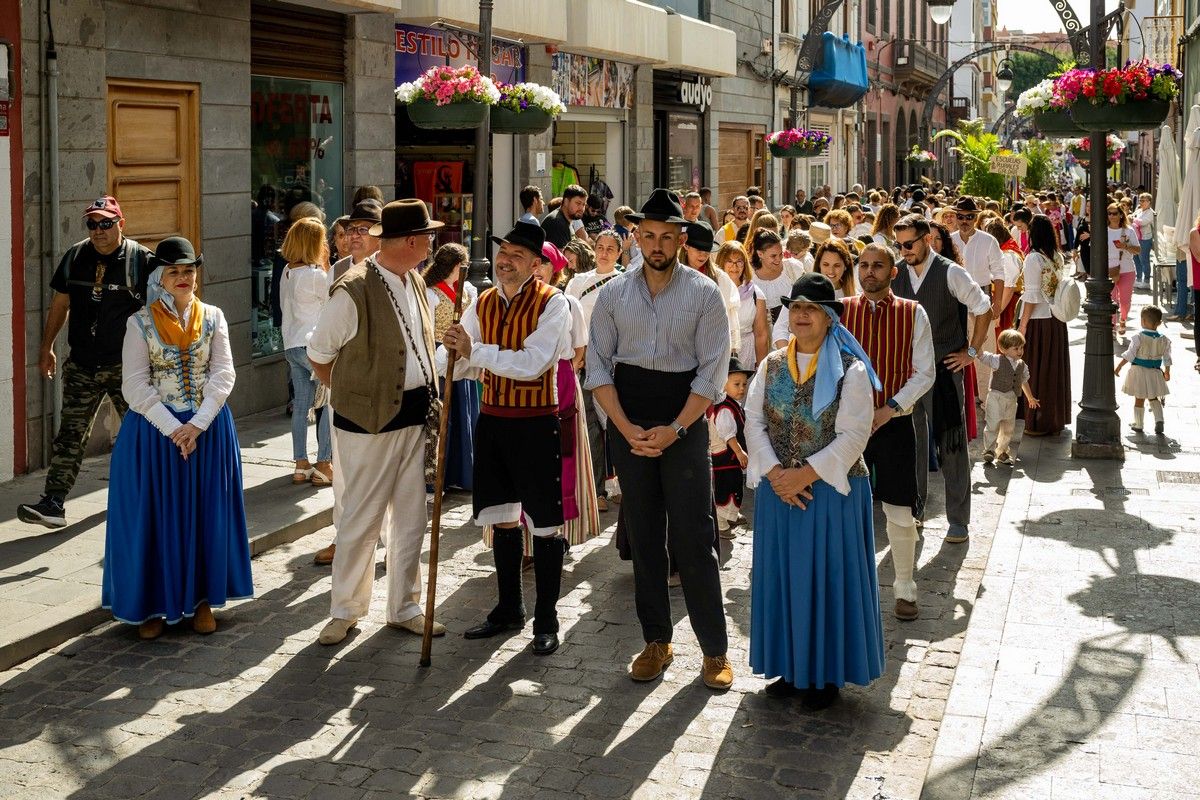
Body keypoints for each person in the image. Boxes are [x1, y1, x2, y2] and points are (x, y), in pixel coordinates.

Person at [586, 188, 734, 691]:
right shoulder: (611, 293)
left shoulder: (704, 293)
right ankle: (655, 641)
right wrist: (626, 429)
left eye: (666, 237)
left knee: (694, 536)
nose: (656, 244)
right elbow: (598, 368)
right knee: (644, 537)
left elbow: (712, 372)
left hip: (684, 417)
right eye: (647, 235)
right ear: (636, 238)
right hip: (629, 415)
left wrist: (674, 429)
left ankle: (714, 650)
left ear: (680, 239)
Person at [745, 272, 886, 709]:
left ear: (828, 318)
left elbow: (853, 436)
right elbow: (753, 421)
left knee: (827, 578)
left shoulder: (851, 370)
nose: (801, 315)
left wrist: (803, 475)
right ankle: (790, 668)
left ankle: (825, 675)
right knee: (785, 578)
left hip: (829, 494)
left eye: (811, 309)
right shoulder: (770, 364)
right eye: (796, 307)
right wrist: (774, 475)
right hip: (780, 492)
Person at [307, 199, 444, 646]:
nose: (431, 242)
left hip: (413, 420)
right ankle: (345, 611)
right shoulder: (353, 288)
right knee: (361, 521)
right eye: (426, 236)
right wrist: (358, 396)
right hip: (366, 425)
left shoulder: (415, 282)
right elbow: (319, 356)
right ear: (409, 241)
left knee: (410, 521)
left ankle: (403, 605)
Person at [103, 236, 251, 639]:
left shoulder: (215, 317)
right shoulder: (139, 323)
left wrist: (197, 425)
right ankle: (152, 604)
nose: (183, 278)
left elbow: (224, 375)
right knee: (153, 516)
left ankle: (202, 599)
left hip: (208, 427)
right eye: (174, 272)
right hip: (154, 433)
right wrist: (174, 429)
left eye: (189, 271)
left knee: (206, 513)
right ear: (160, 278)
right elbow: (134, 385)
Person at [442, 221, 573, 657]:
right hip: (494, 419)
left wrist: (472, 353)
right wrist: (451, 350)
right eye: (503, 252)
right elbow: (461, 355)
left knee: (545, 524)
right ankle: (508, 608)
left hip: (536, 422)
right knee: (501, 516)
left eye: (517, 254)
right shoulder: (480, 302)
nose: (506, 259)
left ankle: (547, 619)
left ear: (537, 264)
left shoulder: (554, 303)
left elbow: (533, 363)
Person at [19, 196, 154, 529]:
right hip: (82, 364)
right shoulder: (75, 256)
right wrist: (46, 346)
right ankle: (53, 503)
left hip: (127, 367)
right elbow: (59, 305)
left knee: (146, 434)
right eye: (92, 224)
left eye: (106, 223)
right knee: (70, 435)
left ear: (121, 223)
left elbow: (160, 312)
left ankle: (155, 498)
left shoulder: (141, 261)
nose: (98, 230)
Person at [841, 243, 935, 621]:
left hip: (895, 424)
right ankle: (845, 588)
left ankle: (905, 587)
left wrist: (889, 408)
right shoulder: (840, 311)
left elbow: (924, 372)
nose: (869, 272)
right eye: (863, 265)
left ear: (892, 272)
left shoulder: (913, 313)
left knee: (899, 506)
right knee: (845, 503)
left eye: (878, 266)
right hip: (847, 427)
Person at [891, 215, 992, 544]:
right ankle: (915, 512)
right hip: (908, 374)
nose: (904, 251)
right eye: (899, 245)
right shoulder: (897, 274)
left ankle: (958, 520)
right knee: (912, 444)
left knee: (952, 445)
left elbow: (984, 308)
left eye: (909, 244)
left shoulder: (950, 272)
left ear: (926, 240)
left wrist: (972, 353)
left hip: (946, 369)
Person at [311, 201, 383, 568]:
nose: (353, 236)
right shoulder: (337, 270)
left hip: (381, 384)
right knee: (344, 468)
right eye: (350, 229)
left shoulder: (390, 269)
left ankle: (382, 539)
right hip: (344, 379)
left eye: (363, 229)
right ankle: (344, 537)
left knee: (383, 471)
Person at [566, 229, 625, 512]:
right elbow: (569, 320)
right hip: (584, 362)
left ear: (619, 253)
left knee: (615, 423)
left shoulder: (626, 282)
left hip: (613, 362)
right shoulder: (579, 282)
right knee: (589, 425)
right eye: (600, 247)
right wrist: (579, 354)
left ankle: (619, 484)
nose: (603, 253)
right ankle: (597, 487)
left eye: (610, 249)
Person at [279, 217, 333, 486]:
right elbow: (333, 305)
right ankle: (324, 462)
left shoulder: (287, 272)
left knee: (301, 405)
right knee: (331, 402)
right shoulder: (316, 276)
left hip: (291, 345)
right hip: (313, 346)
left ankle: (301, 464)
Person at [424, 243, 480, 491]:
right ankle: (440, 477)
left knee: (462, 416)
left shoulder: (467, 289)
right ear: (457, 266)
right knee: (444, 417)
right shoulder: (431, 292)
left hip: (463, 355)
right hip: (440, 354)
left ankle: (462, 474)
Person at [1017, 215, 1072, 437]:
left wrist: (1022, 326)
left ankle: (1036, 422)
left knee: (1034, 369)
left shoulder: (1033, 259)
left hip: (1038, 321)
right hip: (1056, 319)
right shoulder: (1057, 256)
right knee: (1052, 369)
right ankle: (1053, 418)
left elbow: (1031, 296)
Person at [949, 198, 1004, 402]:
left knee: (984, 350)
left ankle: (986, 397)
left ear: (976, 217)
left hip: (981, 298)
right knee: (957, 347)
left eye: (969, 216)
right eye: (961, 216)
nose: (965, 221)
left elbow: (999, 273)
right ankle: (962, 397)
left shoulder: (989, 241)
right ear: (955, 217)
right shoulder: (949, 240)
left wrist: (997, 303)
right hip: (955, 299)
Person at [680, 221, 742, 355]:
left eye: (707, 251)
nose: (703, 255)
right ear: (686, 245)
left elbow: (728, 321)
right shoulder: (672, 275)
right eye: (698, 250)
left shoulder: (720, 278)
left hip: (711, 348)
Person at [979, 329, 1039, 467]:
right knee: (992, 424)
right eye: (1016, 348)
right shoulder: (997, 360)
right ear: (1003, 349)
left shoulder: (1022, 365)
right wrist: (980, 343)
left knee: (1008, 427)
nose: (1020, 351)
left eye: (1021, 347)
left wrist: (1030, 397)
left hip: (1011, 400)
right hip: (996, 397)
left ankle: (1002, 452)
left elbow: (1024, 381)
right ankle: (989, 450)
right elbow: (981, 356)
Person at [708, 358, 753, 539]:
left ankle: (731, 514)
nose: (741, 388)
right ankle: (720, 522)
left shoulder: (733, 404)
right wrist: (739, 451)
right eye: (736, 384)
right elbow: (728, 434)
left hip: (730, 458)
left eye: (743, 384)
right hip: (725, 457)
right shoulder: (725, 408)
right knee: (726, 487)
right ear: (723, 384)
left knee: (734, 485)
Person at [1115, 305, 1171, 435]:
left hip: (1138, 372)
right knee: (1153, 398)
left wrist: (1119, 366)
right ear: (1159, 323)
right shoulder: (1164, 340)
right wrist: (1167, 371)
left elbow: (1130, 354)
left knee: (1139, 398)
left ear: (1143, 321)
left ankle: (1139, 424)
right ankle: (1159, 420)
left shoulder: (1138, 337)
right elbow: (1167, 358)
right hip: (1155, 371)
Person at [717, 241, 769, 366]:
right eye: (729, 261)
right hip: (717, 352)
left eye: (739, 261)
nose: (734, 266)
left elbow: (761, 334)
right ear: (721, 263)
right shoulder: (712, 289)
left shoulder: (756, 294)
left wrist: (761, 368)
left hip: (746, 355)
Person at [1106, 203, 1142, 336]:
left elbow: (1138, 250)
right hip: (1109, 270)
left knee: (1125, 301)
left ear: (1121, 214)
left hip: (1127, 269)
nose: (1111, 216)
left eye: (1114, 213)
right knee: (1112, 299)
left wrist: (1126, 246)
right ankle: (1112, 326)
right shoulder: (1104, 231)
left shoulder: (1128, 230)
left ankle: (1123, 319)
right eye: (1109, 213)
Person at [750, 229, 801, 325]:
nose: (778, 259)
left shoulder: (793, 268)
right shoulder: (750, 277)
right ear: (760, 254)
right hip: (763, 335)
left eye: (780, 254)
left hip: (792, 332)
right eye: (773, 256)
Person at [1132, 193, 1157, 290]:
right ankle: (1138, 279)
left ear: (1149, 202)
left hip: (1145, 239)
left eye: (1143, 200)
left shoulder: (1151, 212)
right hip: (1135, 238)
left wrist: (1133, 219)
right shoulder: (1139, 211)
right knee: (1136, 259)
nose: (1141, 202)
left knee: (1144, 260)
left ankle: (1146, 281)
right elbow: (1131, 217)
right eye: (1140, 200)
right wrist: (1133, 219)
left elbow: (1142, 222)